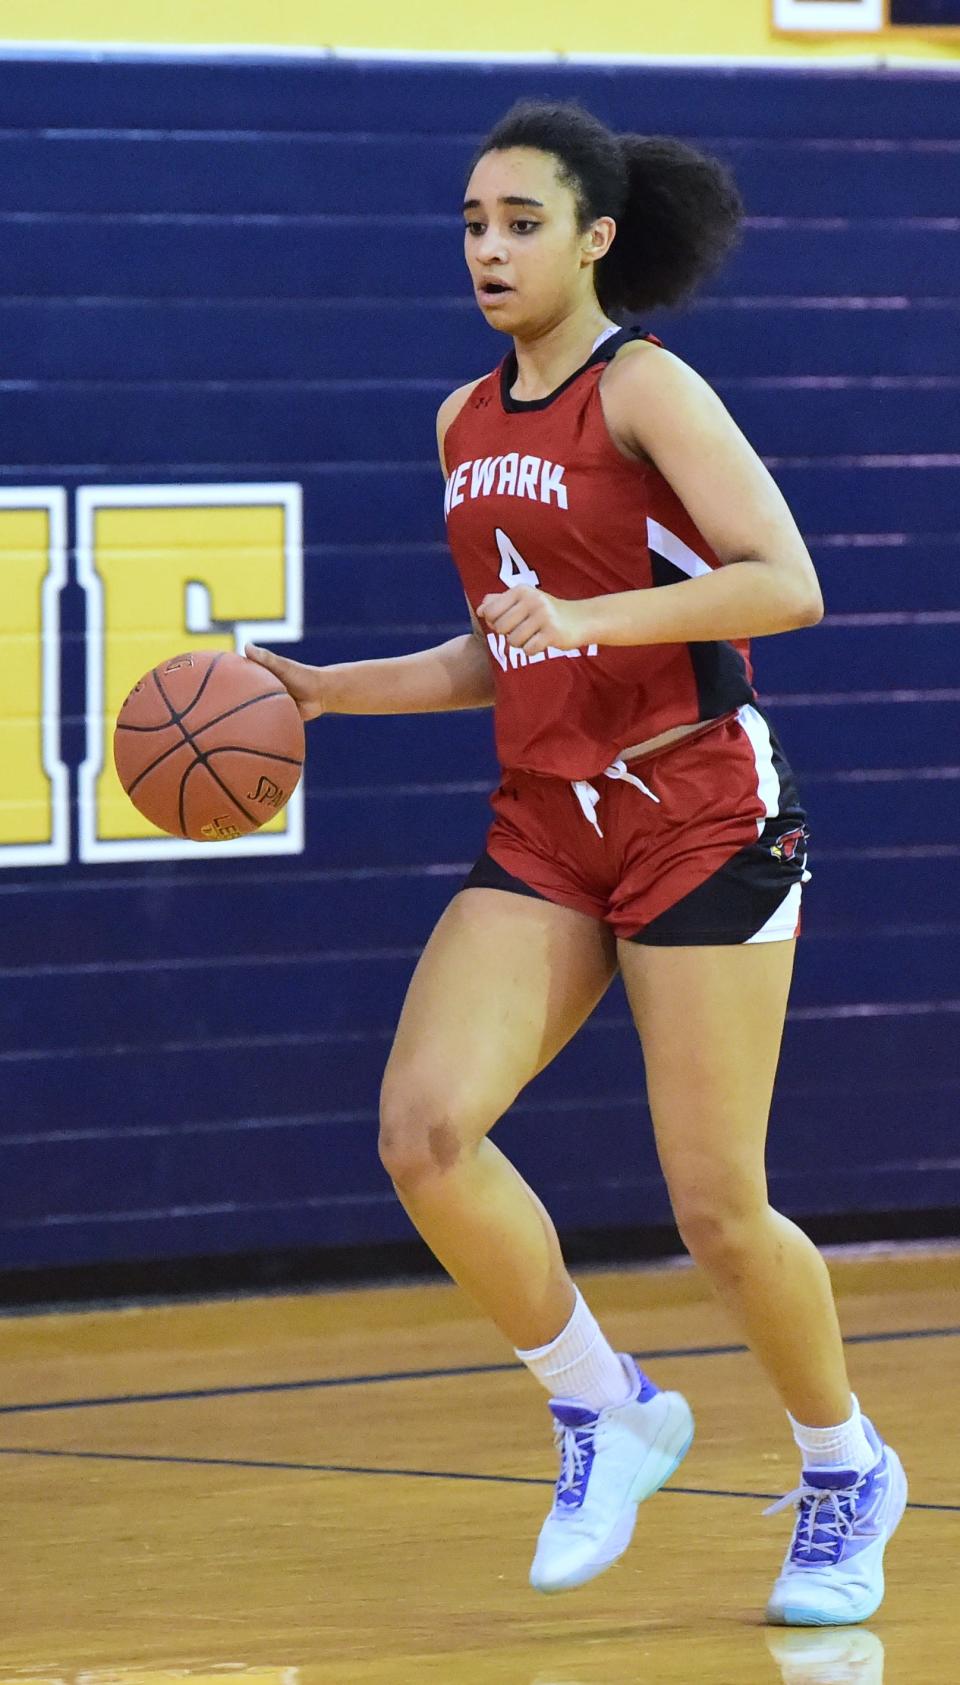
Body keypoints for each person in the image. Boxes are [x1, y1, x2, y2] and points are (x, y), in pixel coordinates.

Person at [246, 99, 906, 1626]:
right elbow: (504, 648)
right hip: (550, 816)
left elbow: (784, 582)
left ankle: (842, 1462)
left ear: (595, 237)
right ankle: (604, 1402)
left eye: (520, 222)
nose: (488, 247)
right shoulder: (462, 422)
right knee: (424, 1129)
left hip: (698, 804)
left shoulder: (646, 388)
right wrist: (333, 691)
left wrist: (588, 626)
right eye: (472, 223)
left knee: (718, 1208)